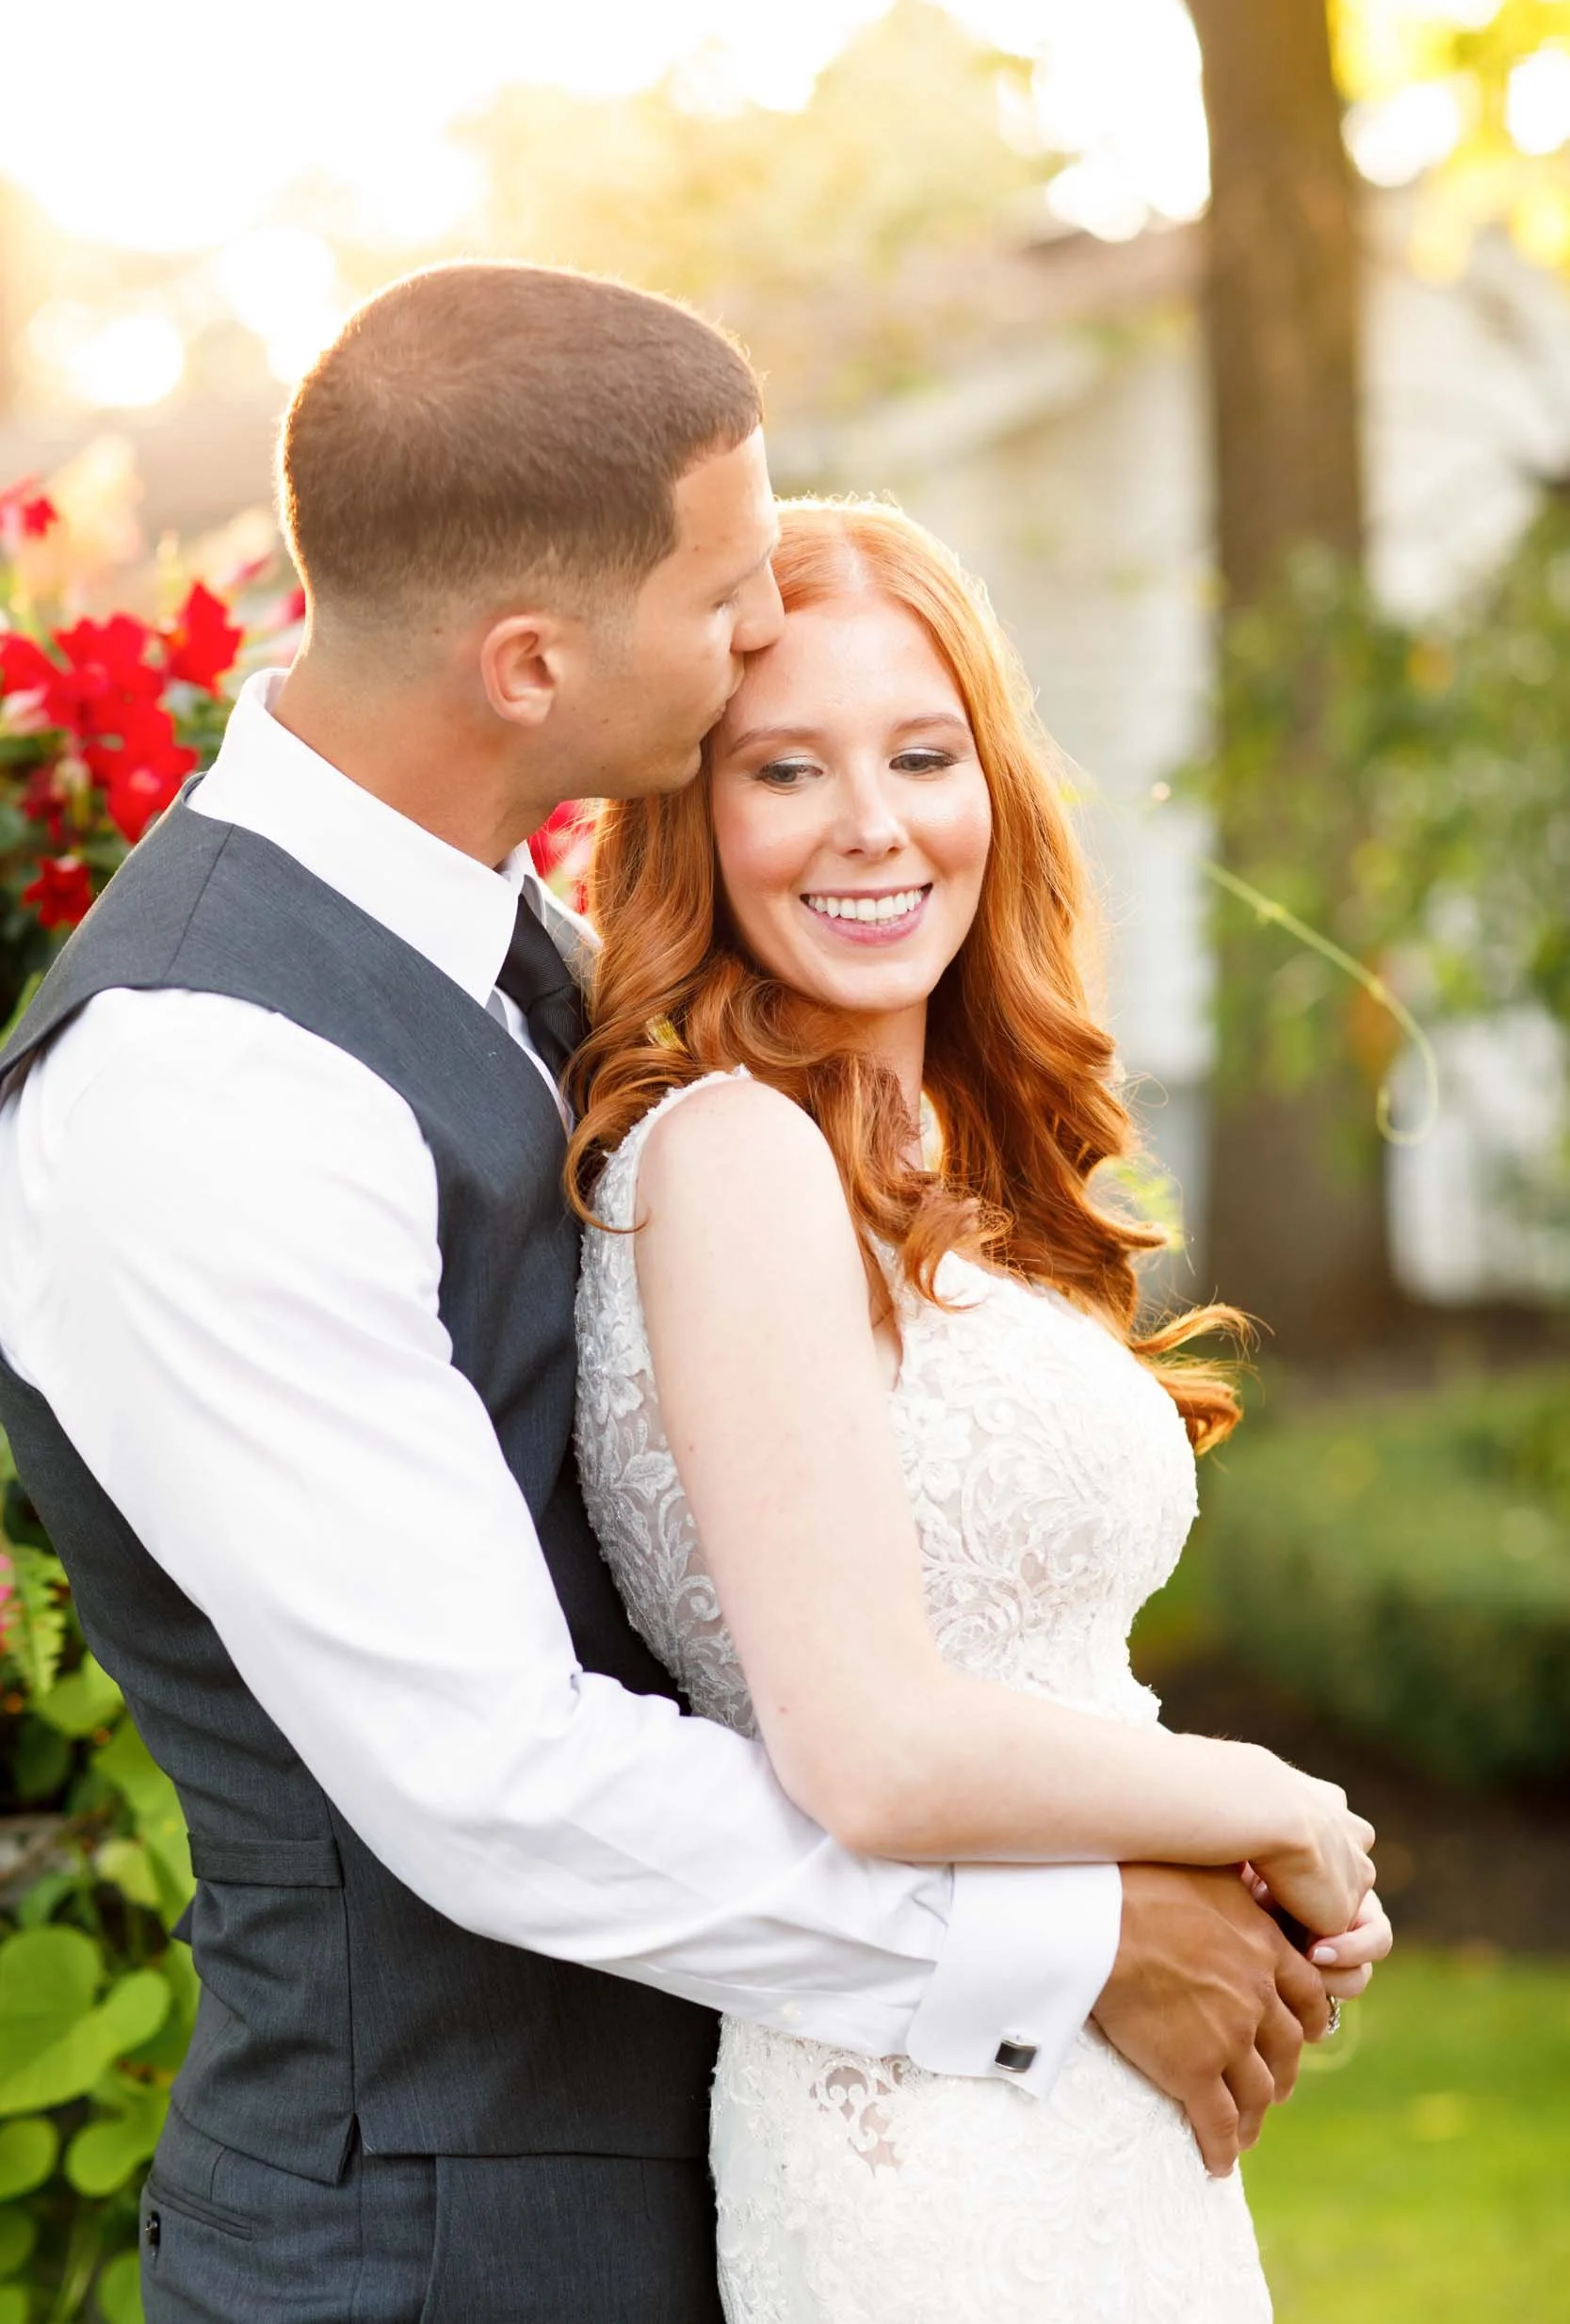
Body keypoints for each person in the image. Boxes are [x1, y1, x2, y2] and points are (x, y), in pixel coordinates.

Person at [0, 265, 1376, 2324]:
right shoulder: (205, 1077)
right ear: (533, 660)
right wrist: (1062, 1937)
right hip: (433, 2253)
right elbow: (499, 1781)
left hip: (743, 2163)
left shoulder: (546, 967)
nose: (764, 631)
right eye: (728, 594)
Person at [569, 496, 1391, 2322]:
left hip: (1087, 2105)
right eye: (786, 767)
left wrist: (1239, 1896)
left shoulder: (933, 1159)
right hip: (924, 2137)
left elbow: (1022, 1676)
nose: (870, 821)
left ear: (991, 786)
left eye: (919, 752)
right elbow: (865, 1744)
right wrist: (1261, 1797)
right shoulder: (731, 1154)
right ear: (695, 817)